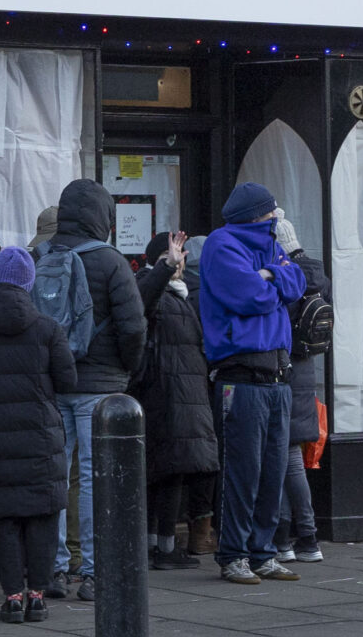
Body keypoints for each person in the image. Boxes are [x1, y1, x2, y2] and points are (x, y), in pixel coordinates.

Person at [0, 246, 75, 624]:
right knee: (41, 518)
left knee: (3, 521)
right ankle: (37, 597)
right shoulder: (47, 328)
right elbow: (68, 382)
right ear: (29, 283)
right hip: (41, 442)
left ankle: (11, 599)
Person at [37, 179, 146, 600]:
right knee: (95, 479)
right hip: (100, 385)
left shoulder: (41, 254)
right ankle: (96, 572)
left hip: (53, 383)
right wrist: (126, 371)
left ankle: (55, 569)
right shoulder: (111, 261)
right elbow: (132, 326)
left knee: (55, 477)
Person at [195, 181, 306, 586]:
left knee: (272, 472)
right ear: (259, 213)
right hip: (240, 377)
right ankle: (234, 555)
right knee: (242, 472)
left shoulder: (269, 244)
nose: (278, 216)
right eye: (273, 210)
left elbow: (296, 285)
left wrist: (269, 275)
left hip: (277, 376)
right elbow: (251, 298)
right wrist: (276, 280)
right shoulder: (222, 245)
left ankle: (263, 552)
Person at [135, 230, 215, 571]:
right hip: (165, 394)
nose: (182, 263)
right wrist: (166, 266)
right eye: (177, 257)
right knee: (165, 473)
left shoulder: (179, 296)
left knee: (170, 474)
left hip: (180, 395)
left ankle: (161, 545)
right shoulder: (155, 291)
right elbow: (144, 301)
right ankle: (161, 549)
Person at [272, 215, 329, 565]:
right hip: (306, 370)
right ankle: (302, 538)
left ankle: (292, 539)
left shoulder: (288, 276)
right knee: (288, 457)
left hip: (284, 370)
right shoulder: (317, 277)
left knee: (284, 459)